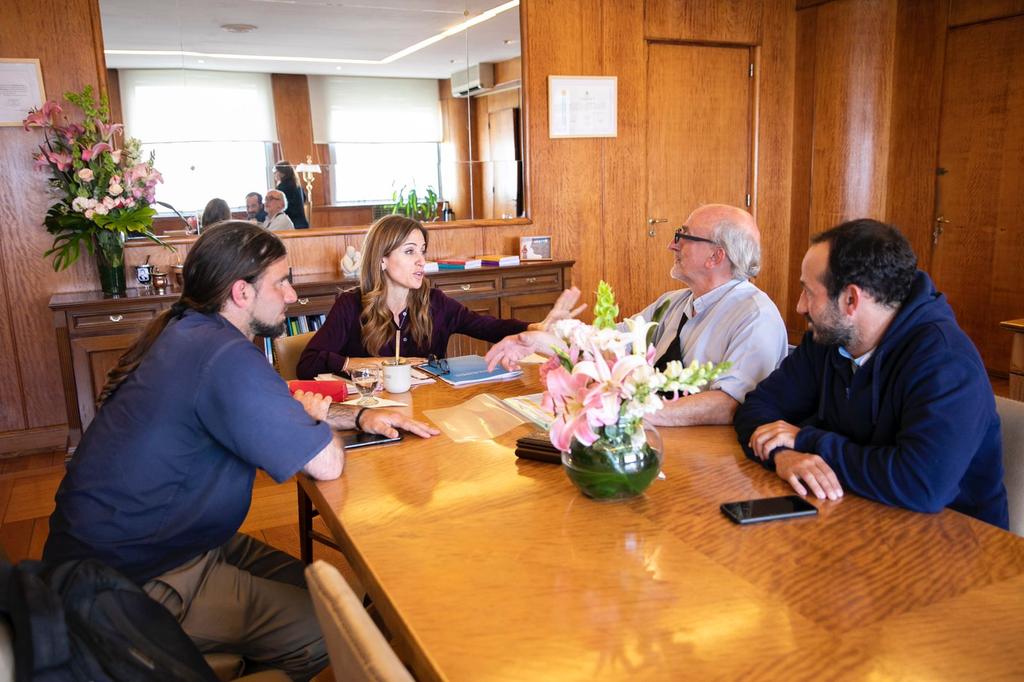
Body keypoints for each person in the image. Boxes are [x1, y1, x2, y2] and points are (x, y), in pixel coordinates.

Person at [43, 221, 438, 680]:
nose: (292, 296)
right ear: (241, 293)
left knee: (338, 597)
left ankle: (221, 653)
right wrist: (314, 424)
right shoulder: (225, 357)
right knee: (340, 628)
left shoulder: (192, 332)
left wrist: (357, 417)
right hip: (132, 578)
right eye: (282, 281)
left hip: (165, 542)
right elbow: (326, 464)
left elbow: (271, 405)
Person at [734, 219, 1008, 528]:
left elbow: (921, 484)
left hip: (954, 544)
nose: (800, 307)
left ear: (851, 299)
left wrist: (806, 440)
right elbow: (756, 409)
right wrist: (783, 455)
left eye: (808, 292)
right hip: (854, 517)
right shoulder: (828, 338)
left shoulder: (946, 361)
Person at [485, 204, 788, 426]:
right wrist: (543, 340)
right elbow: (610, 348)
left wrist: (629, 413)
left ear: (716, 256)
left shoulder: (755, 316)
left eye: (683, 236)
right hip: (654, 436)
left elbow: (729, 404)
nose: (672, 244)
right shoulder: (672, 303)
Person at [296, 214, 584, 378]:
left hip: (431, 410)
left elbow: (488, 327)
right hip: (374, 414)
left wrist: (536, 329)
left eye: (422, 251)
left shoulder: (434, 301)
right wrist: (374, 365)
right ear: (381, 259)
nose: (421, 260)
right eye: (409, 251)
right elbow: (308, 364)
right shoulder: (350, 304)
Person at [274, 161, 309, 229]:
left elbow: (279, 207)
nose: (274, 174)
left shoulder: (282, 187)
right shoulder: (297, 186)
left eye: (276, 171)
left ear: (282, 173)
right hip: (302, 222)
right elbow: (304, 200)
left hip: (290, 223)